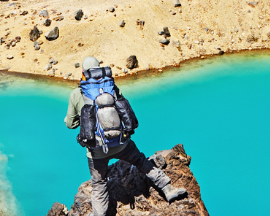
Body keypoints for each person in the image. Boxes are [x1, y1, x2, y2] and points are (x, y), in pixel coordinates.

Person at [64, 56, 186, 216]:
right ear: (99, 69)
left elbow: (70, 124)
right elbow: (123, 111)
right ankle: (168, 189)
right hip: (121, 143)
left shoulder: (76, 93)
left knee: (99, 185)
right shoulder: (111, 87)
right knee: (141, 161)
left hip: (97, 150)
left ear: (83, 72)